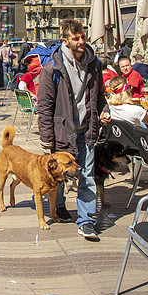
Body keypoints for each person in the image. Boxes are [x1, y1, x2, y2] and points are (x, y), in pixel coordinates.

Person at [37, 18, 107, 241]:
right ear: (65, 41)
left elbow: (100, 95)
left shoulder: (94, 64)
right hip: (61, 130)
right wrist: (47, 137)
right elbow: (45, 105)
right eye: (76, 38)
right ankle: (59, 208)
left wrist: (103, 110)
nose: (81, 41)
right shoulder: (52, 69)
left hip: (86, 129)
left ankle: (86, 221)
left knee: (85, 174)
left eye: (83, 37)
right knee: (58, 175)